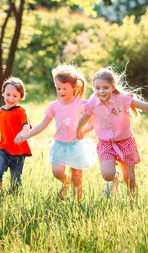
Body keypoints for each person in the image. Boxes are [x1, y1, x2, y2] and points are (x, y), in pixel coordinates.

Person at [76, 67, 148, 198]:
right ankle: (114, 178)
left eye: (105, 87)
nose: (101, 91)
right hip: (106, 143)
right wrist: (79, 130)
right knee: (107, 175)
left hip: (125, 142)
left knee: (129, 179)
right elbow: (85, 117)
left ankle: (132, 203)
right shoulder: (92, 102)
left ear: (113, 87)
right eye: (97, 88)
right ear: (94, 88)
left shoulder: (123, 99)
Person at [14, 65, 96, 203]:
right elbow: (42, 125)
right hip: (60, 145)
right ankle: (65, 181)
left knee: (77, 178)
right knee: (57, 172)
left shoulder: (83, 104)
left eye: (65, 88)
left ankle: (78, 204)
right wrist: (25, 136)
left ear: (74, 87)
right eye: (58, 88)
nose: (61, 91)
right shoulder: (54, 106)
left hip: (77, 145)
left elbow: (94, 122)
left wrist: (83, 131)